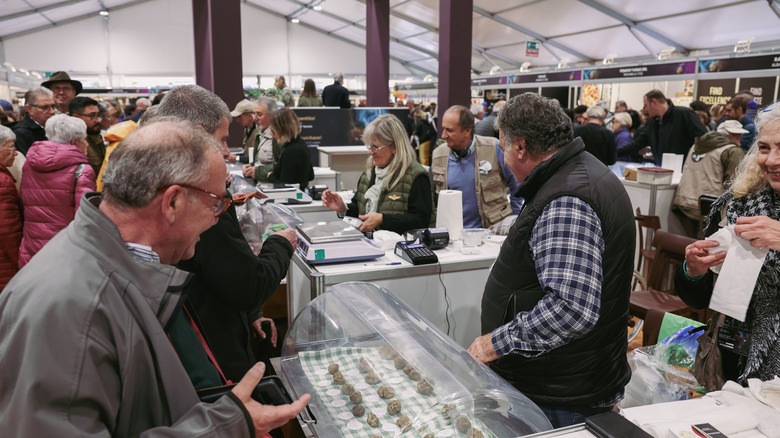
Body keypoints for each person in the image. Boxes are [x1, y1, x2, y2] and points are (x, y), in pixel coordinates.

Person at [0, 119, 310, 436]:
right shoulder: (69, 307)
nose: (216, 219)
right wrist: (225, 427)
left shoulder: (122, 267)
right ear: (173, 202)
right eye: (215, 204)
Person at [467, 93, 634, 428]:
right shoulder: (576, 176)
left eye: (502, 146)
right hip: (566, 380)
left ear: (520, 147)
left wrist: (494, 344)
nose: (502, 156)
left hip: (561, 391)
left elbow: (571, 308)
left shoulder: (567, 198)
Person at [156, 84, 297, 389]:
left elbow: (222, 271)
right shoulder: (198, 198)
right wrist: (280, 244)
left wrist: (250, 314)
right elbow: (248, 284)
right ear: (195, 134)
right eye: (221, 140)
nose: (224, 151)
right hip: (216, 359)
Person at [676, 101, 780, 385]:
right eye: (764, 148)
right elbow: (700, 297)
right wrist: (693, 271)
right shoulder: (735, 207)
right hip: (734, 358)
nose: (771, 160)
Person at [321, 113, 433, 234]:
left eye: (375, 147)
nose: (370, 152)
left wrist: (383, 220)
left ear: (394, 146)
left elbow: (421, 220)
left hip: (398, 249)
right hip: (370, 245)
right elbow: (359, 210)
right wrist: (342, 208)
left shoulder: (416, 176)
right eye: (369, 146)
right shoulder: (369, 172)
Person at [18, 114, 96, 267]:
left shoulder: (30, 163)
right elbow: (84, 217)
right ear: (75, 142)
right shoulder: (82, 170)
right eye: (85, 139)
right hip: (63, 248)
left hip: (31, 245)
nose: (86, 144)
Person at [431, 105, 522, 231]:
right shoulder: (438, 155)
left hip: (493, 229)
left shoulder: (493, 148)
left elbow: (516, 185)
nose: (443, 135)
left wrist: (516, 218)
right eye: (443, 129)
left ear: (467, 131)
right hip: (454, 233)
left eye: (449, 130)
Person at [673, 120, 746, 238]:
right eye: (739, 135)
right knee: (705, 249)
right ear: (732, 135)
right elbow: (734, 184)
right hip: (709, 207)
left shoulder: (696, 145)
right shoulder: (732, 151)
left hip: (684, 202)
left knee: (689, 245)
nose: (740, 138)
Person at [624, 89, 706, 165]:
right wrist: (615, 153)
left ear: (653, 103)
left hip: (682, 172)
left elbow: (704, 137)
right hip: (661, 171)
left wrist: (692, 159)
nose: (644, 110)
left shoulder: (683, 114)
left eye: (646, 105)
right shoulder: (653, 123)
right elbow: (636, 144)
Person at [267, 107, 314, 189]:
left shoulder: (290, 151)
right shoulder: (301, 144)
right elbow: (310, 175)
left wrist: (270, 176)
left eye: (273, 130)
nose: (271, 133)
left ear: (281, 129)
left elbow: (285, 186)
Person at [0, 125, 22, 290]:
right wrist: (20, 261)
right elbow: (8, 230)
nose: (15, 153)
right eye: (11, 146)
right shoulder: (3, 182)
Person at [243, 97, 279, 182]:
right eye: (253, 114)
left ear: (272, 115)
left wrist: (257, 171)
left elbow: (284, 165)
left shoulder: (278, 136)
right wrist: (250, 167)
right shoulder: (259, 134)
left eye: (259, 114)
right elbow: (258, 161)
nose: (255, 118)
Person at [12, 87, 55, 155]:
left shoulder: (54, 127)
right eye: (44, 107)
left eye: (53, 106)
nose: (52, 111)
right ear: (29, 109)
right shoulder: (20, 133)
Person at [69, 96, 105, 176]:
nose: (98, 120)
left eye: (98, 115)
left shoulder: (97, 137)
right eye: (92, 116)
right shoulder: (73, 144)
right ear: (76, 118)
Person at [230, 99, 259, 164]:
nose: (237, 121)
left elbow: (257, 158)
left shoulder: (259, 133)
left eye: (239, 117)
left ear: (249, 116)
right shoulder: (246, 130)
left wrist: (236, 158)